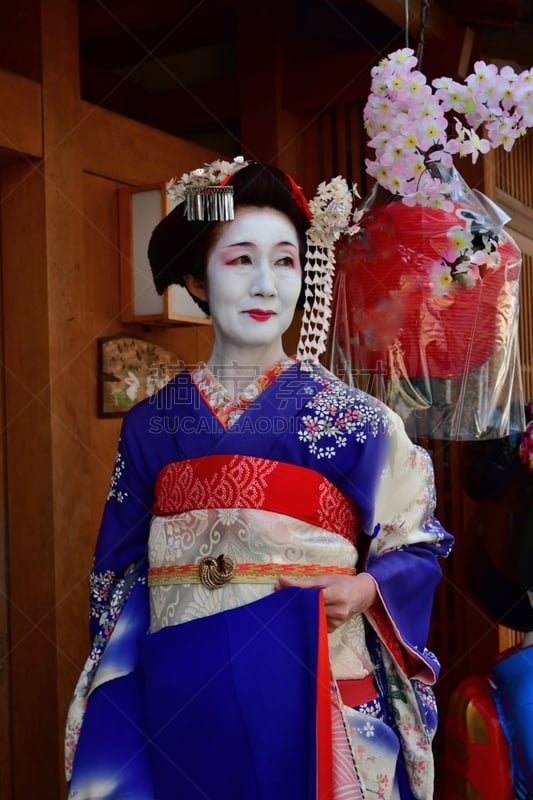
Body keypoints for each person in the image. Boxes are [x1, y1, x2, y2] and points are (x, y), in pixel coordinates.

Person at [65, 160, 453, 800]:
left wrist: (365, 588)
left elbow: (417, 542)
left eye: (286, 262)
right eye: (240, 260)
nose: (266, 285)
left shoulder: (357, 419)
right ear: (196, 277)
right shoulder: (150, 426)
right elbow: (116, 577)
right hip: (183, 693)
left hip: (315, 681)